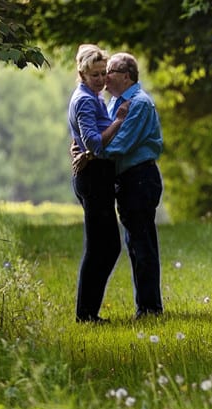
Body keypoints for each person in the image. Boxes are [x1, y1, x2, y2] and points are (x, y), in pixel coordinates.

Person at [67, 44, 129, 324]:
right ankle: (86, 314)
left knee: (107, 246)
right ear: (81, 73)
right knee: (100, 247)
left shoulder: (90, 97)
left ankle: (89, 312)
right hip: (93, 178)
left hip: (96, 176)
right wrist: (118, 121)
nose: (101, 79)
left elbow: (81, 137)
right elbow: (92, 140)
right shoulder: (85, 100)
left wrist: (79, 148)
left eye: (104, 73)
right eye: (94, 74)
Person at [102, 51, 165, 319]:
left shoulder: (138, 104)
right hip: (129, 179)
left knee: (142, 244)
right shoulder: (115, 103)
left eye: (110, 72)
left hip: (140, 178)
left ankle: (150, 308)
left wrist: (89, 152)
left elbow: (119, 145)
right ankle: (146, 305)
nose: (105, 77)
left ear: (126, 76)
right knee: (136, 243)